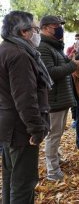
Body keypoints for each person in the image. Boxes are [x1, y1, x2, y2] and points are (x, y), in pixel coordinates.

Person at [0, 11, 51, 203]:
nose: (37, 33)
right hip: (21, 129)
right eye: (35, 29)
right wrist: (36, 129)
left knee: (11, 179)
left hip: (9, 126)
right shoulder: (19, 54)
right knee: (23, 183)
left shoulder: (5, 49)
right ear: (23, 32)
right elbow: (25, 98)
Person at [38, 15, 79, 181]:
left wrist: (73, 59)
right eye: (56, 25)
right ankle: (52, 171)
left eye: (60, 25)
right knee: (53, 135)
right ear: (45, 28)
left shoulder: (55, 46)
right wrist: (72, 65)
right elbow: (50, 73)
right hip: (53, 99)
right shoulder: (43, 47)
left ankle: (56, 158)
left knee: (57, 133)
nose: (59, 28)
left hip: (61, 98)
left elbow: (61, 66)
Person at [66, 33, 79, 129]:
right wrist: (74, 50)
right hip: (72, 76)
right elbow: (67, 59)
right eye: (76, 38)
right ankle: (75, 119)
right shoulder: (70, 48)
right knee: (74, 98)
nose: (78, 40)